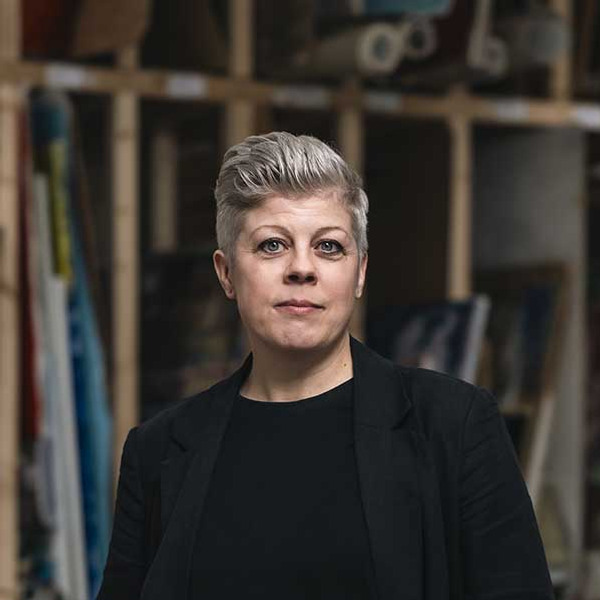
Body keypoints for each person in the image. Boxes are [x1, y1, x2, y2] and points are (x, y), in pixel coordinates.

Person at [96, 132, 555, 600]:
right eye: (272, 245)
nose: (302, 268)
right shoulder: (157, 451)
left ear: (360, 272)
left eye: (329, 246)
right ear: (227, 272)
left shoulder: (455, 425)